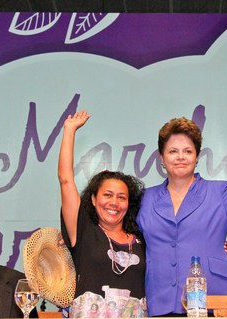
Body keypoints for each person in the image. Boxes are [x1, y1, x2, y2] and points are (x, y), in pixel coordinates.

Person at [137, 117, 227, 316]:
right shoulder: (145, 199)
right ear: (161, 158)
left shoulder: (219, 192)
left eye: (188, 151)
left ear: (197, 157)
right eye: (173, 151)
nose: (181, 157)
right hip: (161, 301)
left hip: (215, 301)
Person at [58, 111, 146, 302]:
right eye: (107, 195)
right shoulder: (83, 231)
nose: (114, 203)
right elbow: (65, 180)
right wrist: (69, 130)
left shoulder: (141, 239)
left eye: (122, 197)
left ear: (129, 204)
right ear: (93, 199)